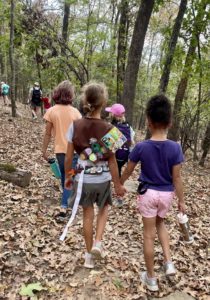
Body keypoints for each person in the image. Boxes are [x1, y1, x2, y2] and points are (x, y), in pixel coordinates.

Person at [120, 95, 186, 292]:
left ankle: (151, 279)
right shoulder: (175, 147)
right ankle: (168, 262)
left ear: (148, 122)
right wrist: (181, 201)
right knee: (161, 224)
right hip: (166, 196)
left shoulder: (141, 147)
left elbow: (129, 170)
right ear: (170, 122)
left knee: (148, 235)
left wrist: (120, 184)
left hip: (148, 194)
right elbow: (177, 179)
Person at [65, 82, 126, 269]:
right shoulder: (111, 130)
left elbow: (69, 158)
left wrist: (69, 176)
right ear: (103, 103)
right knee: (104, 208)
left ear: (85, 101)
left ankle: (88, 256)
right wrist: (117, 184)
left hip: (83, 179)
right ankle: (98, 242)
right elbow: (113, 161)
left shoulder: (75, 125)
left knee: (87, 216)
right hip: (103, 180)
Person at [42, 80, 82, 220]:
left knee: (66, 177)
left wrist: (44, 150)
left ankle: (65, 203)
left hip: (60, 151)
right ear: (70, 95)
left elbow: (47, 133)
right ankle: (65, 206)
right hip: (74, 152)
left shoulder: (51, 111)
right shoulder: (76, 112)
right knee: (69, 177)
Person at [105, 103, 135, 207]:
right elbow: (131, 142)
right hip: (124, 156)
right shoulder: (128, 127)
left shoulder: (112, 127)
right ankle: (118, 196)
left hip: (114, 156)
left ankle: (115, 196)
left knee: (112, 174)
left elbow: (107, 146)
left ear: (113, 115)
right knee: (118, 174)